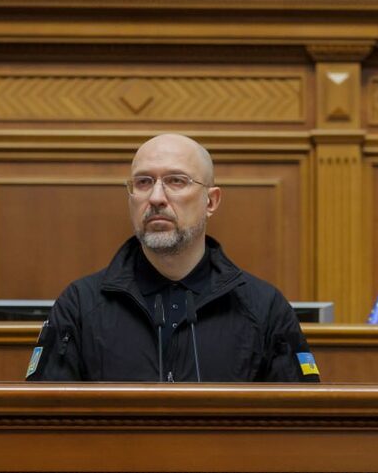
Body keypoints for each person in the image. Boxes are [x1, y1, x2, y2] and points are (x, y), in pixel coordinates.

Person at [26, 133, 320, 382]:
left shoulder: (263, 307)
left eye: (176, 181)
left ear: (211, 200)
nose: (156, 198)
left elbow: (299, 421)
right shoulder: (81, 304)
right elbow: (44, 418)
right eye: (143, 182)